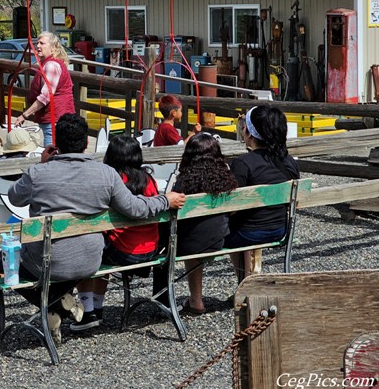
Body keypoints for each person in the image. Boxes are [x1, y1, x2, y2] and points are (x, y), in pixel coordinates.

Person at [0, 113, 185, 345]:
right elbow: (135, 208)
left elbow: (14, 197)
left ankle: (56, 305)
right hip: (91, 261)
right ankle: (57, 304)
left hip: (49, 262)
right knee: (66, 265)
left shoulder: (38, 173)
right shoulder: (106, 174)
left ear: (56, 144)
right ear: (85, 144)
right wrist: (166, 200)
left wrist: (41, 164)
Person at [71, 136, 161, 332]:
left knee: (89, 245)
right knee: (104, 242)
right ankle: (98, 306)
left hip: (124, 251)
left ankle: (89, 310)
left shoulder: (112, 181)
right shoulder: (149, 180)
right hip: (151, 250)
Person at [152, 133, 238, 315]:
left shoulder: (184, 182)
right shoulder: (226, 180)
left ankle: (192, 300)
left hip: (190, 245)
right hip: (219, 240)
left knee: (166, 243)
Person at [225, 106, 300, 280]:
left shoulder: (243, 163)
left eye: (244, 126)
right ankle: (248, 283)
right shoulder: (288, 162)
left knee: (226, 228)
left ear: (251, 134)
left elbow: (232, 207)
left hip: (247, 233)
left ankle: (245, 283)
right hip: (280, 230)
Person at [13, 32, 75, 146]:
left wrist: (24, 115)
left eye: (42, 43)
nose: (38, 46)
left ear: (52, 48)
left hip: (55, 120)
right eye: (37, 43)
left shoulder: (51, 65)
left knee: (51, 157)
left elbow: (45, 97)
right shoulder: (49, 63)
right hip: (57, 119)